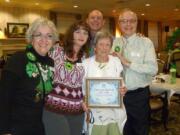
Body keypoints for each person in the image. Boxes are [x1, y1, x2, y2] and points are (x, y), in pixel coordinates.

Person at [0, 18, 58, 135]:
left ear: (53, 41)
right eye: (39, 35)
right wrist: (4, 130)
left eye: (49, 36)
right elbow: (3, 98)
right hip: (15, 127)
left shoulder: (50, 63)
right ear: (31, 38)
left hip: (37, 126)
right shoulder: (18, 59)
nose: (44, 40)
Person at [112, 8, 158, 135]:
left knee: (140, 131)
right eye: (124, 21)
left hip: (139, 97)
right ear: (119, 24)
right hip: (118, 96)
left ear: (137, 23)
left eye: (132, 21)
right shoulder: (114, 42)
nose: (128, 24)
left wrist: (127, 63)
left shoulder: (145, 42)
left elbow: (153, 69)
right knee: (122, 129)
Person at [43, 21, 91, 135]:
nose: (81, 35)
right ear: (71, 34)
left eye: (85, 33)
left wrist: (84, 102)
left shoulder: (85, 57)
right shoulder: (56, 50)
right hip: (54, 108)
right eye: (78, 32)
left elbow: (82, 85)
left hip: (77, 111)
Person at [82, 30, 127, 135]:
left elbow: (121, 82)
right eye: (101, 44)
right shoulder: (85, 64)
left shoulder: (116, 62)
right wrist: (83, 101)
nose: (104, 47)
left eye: (107, 44)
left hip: (114, 111)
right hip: (95, 112)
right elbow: (81, 88)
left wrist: (123, 89)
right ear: (95, 47)